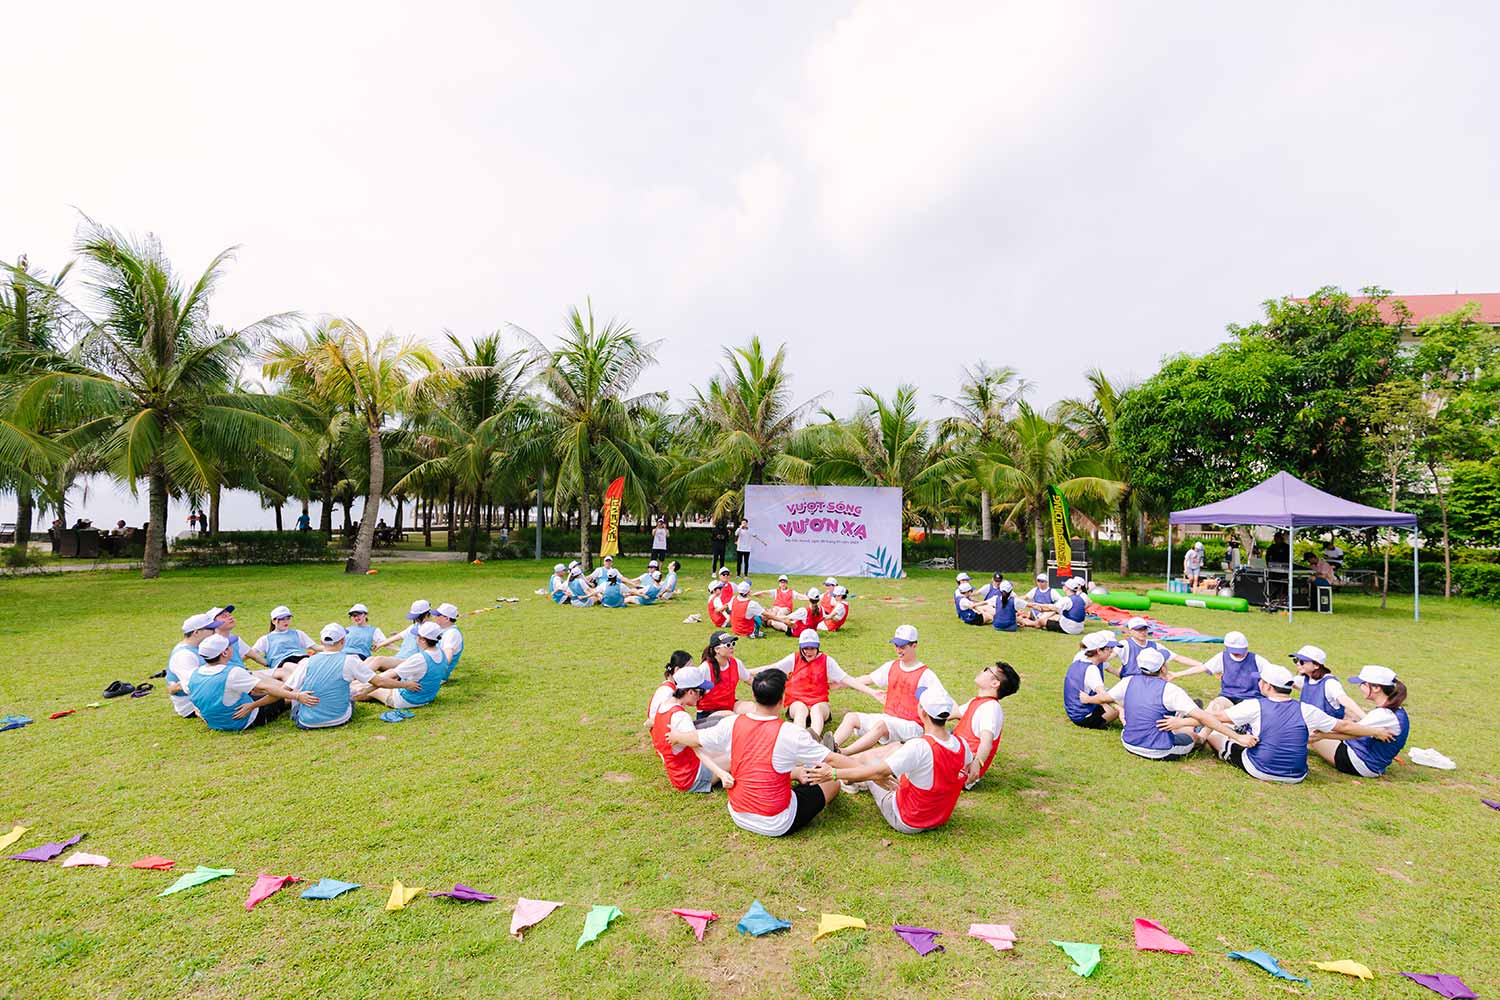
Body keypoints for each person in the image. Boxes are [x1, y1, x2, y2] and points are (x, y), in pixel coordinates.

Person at [667, 669, 846, 837]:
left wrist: (676, 736)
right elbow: (832, 760)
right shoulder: (789, 732)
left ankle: (803, 770)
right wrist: (858, 767)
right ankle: (810, 766)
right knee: (832, 782)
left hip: (738, 812)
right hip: (776, 821)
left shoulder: (732, 723)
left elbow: (696, 738)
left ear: (754, 696)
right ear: (782, 699)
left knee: (771, 762)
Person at [807, 687, 971, 835]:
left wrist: (834, 773)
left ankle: (847, 779)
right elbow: (967, 766)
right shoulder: (962, 744)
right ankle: (839, 758)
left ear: (923, 712)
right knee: (894, 747)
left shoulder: (920, 746)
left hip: (907, 819)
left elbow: (878, 772)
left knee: (871, 761)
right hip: (939, 817)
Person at [1196, 662, 1375, 783]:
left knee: (1217, 735)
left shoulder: (1255, 705)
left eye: (1261, 680)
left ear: (1267, 685)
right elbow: (1345, 726)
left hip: (1261, 768)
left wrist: (1188, 717)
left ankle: (1202, 740)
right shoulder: (1307, 710)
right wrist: (1375, 732)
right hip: (1297, 774)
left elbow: (1214, 718)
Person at [1086, 648, 1246, 761]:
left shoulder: (1128, 681)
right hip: (1158, 750)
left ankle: (1183, 717)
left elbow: (1103, 698)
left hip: (1128, 742)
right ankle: (1200, 736)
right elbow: (1204, 717)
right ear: (1163, 668)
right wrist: (1238, 737)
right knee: (1191, 735)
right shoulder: (1170, 690)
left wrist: (1087, 699)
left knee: (1173, 720)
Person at [832, 625, 951, 754]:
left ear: (914, 646)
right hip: (889, 719)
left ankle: (842, 753)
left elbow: (944, 700)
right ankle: (828, 748)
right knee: (851, 717)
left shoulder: (926, 674)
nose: (898, 650)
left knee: (881, 725)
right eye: (896, 645)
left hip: (912, 726)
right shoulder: (891, 666)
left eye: (902, 646)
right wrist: (841, 684)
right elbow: (868, 678)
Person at [750, 630, 881, 738]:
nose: (809, 652)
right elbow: (772, 667)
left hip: (819, 702)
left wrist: (873, 692)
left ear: (817, 647)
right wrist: (746, 672)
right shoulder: (794, 659)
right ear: (800, 648)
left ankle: (814, 739)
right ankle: (799, 738)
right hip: (797, 702)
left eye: (812, 648)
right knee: (800, 709)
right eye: (805, 648)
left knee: (817, 710)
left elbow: (847, 679)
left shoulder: (827, 661)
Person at [186, 634, 316, 731]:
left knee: (263, 691)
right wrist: (296, 696)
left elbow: (193, 695)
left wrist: (200, 712)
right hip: (241, 720)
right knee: (282, 696)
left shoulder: (194, 673)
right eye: (230, 646)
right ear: (225, 652)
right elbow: (266, 689)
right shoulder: (232, 672)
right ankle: (299, 696)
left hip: (215, 722)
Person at [286, 624, 404, 729]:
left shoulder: (307, 662)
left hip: (307, 722)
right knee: (349, 692)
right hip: (340, 718)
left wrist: (297, 696)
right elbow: (379, 682)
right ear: (343, 641)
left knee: (297, 689)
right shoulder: (350, 660)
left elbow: (286, 689)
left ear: (321, 642)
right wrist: (406, 685)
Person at [1309, 665, 1410, 778]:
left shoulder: (1384, 714)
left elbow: (1350, 731)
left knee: (1311, 729)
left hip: (1360, 763)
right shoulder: (1394, 710)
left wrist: (1322, 735)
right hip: (1371, 763)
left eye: (1363, 684)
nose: (1359, 686)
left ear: (1376, 688)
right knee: (1343, 718)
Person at [651, 665, 734, 793]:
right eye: (701, 692)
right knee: (737, 754)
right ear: (690, 692)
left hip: (678, 773)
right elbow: (698, 750)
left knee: (724, 748)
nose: (701, 697)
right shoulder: (680, 716)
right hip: (691, 777)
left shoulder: (664, 706)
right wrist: (720, 773)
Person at [952, 661, 1021, 788]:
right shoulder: (978, 702)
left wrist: (977, 763)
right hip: (955, 756)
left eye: (986, 670)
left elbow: (986, 741)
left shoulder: (991, 708)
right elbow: (952, 713)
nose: (981, 671)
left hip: (962, 770)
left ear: (995, 683)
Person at [354, 621, 447, 710]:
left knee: (360, 688)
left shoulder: (420, 658)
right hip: (427, 697)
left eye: (417, 635)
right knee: (376, 680)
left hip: (407, 700)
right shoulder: (441, 653)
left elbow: (386, 678)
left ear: (422, 640)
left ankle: (352, 687)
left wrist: (366, 690)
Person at [1168, 630, 1264, 710]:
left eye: (1241, 651)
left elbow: (1270, 674)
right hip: (1228, 697)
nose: (1238, 654)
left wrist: (1256, 676)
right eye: (1235, 651)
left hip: (1250, 699)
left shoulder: (1256, 659)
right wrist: (1177, 674)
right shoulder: (1222, 657)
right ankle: (1199, 725)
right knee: (1215, 707)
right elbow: (1202, 668)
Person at [1063, 631, 1120, 729]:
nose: (1111, 652)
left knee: (1116, 699)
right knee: (1119, 707)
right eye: (1108, 649)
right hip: (1082, 716)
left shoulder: (1079, 661)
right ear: (1099, 651)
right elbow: (1103, 696)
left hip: (1073, 710)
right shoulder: (1092, 669)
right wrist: (1118, 705)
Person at [695, 631, 754, 723]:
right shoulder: (705, 668)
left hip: (729, 706)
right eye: (727, 645)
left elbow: (749, 679)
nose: (731, 647)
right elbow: (690, 690)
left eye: (733, 643)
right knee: (732, 718)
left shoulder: (736, 663)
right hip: (708, 711)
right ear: (717, 649)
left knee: (752, 708)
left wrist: (764, 690)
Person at [1115, 617, 1200, 680]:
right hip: (1131, 682)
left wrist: (1202, 665)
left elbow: (1177, 658)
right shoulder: (1124, 644)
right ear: (1131, 631)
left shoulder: (1155, 645)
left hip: (1150, 682)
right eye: (1139, 630)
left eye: (1145, 629)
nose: (1143, 632)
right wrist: (1116, 672)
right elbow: (1109, 656)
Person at [1290, 645, 1360, 721]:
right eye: (1296, 660)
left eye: (1302, 662)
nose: (1298, 663)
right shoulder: (1305, 679)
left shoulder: (1330, 682)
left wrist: (1364, 717)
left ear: (1316, 665)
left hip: (1330, 727)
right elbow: (1285, 682)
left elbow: (1344, 699)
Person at [166, 613, 217, 719]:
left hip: (204, 697)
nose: (215, 631)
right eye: (211, 629)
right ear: (196, 633)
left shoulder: (198, 647)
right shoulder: (184, 655)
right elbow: (193, 686)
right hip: (191, 706)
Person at [369, 599, 432, 667]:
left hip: (408, 661)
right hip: (399, 658)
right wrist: (379, 645)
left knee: (379, 660)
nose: (416, 620)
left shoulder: (430, 629)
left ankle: (362, 673)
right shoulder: (413, 626)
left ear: (426, 615)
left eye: (418, 617)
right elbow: (396, 637)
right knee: (371, 659)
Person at [251, 607, 316, 671]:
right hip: (282, 663)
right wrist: (267, 663)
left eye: (288, 618)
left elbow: (316, 647)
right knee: (291, 666)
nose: (286, 621)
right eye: (282, 619)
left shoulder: (298, 633)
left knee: (306, 662)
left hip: (301, 657)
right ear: (274, 621)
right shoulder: (265, 639)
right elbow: (251, 653)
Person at [646, 650, 695, 726]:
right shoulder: (667, 691)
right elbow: (652, 721)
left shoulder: (672, 687)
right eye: (689, 669)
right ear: (677, 670)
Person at [430, 603, 465, 679]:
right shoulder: (444, 629)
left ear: (446, 619)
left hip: (436, 675)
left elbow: (448, 656)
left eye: (438, 615)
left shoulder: (452, 634)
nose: (434, 617)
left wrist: (434, 674)